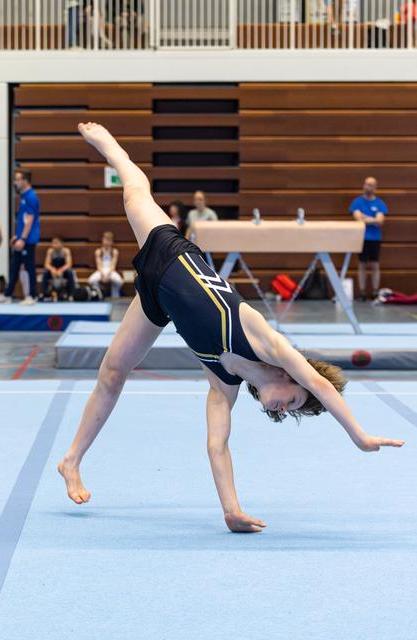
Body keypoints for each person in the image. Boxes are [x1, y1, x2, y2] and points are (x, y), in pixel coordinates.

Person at [58, 123, 404, 534]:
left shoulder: (224, 385)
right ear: (291, 377)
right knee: (135, 190)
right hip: (171, 255)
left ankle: (71, 460)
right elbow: (323, 385)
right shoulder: (268, 342)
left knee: (113, 372)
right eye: (293, 401)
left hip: (156, 300)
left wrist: (231, 510)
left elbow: (216, 446)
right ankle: (114, 149)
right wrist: (359, 436)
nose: (281, 409)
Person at [0, 170, 40, 305]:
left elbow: (30, 220)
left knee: (29, 267)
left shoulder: (31, 197)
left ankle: (32, 296)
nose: (15, 182)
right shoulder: (24, 196)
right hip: (22, 237)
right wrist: (17, 236)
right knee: (14, 266)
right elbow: (23, 219)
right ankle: (8, 294)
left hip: (28, 239)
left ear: (25, 180)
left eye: (17, 179)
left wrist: (23, 239)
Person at [349, 177, 388, 301]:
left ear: (375, 187)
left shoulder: (380, 203)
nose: (367, 187)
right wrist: (373, 219)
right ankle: (362, 292)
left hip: (374, 238)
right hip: (361, 238)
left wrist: (365, 217)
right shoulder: (357, 202)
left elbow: (380, 222)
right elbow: (358, 219)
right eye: (366, 184)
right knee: (362, 265)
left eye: (370, 185)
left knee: (375, 264)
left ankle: (375, 292)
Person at [88, 231, 123, 297]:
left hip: (111, 271)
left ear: (112, 242)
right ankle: (99, 293)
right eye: (105, 240)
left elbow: (113, 266)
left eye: (109, 240)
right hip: (101, 271)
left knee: (119, 282)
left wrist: (108, 275)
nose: (107, 242)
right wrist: (103, 275)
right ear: (102, 240)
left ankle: (115, 295)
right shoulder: (98, 251)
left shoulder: (114, 251)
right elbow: (99, 266)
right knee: (91, 280)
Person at [40, 236, 75, 301]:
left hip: (63, 270)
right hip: (53, 271)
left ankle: (71, 294)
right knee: (45, 273)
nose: (54, 245)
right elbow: (46, 264)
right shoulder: (50, 251)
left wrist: (61, 270)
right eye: (53, 243)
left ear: (62, 244)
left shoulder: (66, 251)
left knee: (70, 272)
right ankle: (43, 293)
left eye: (56, 243)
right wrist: (53, 270)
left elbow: (69, 264)